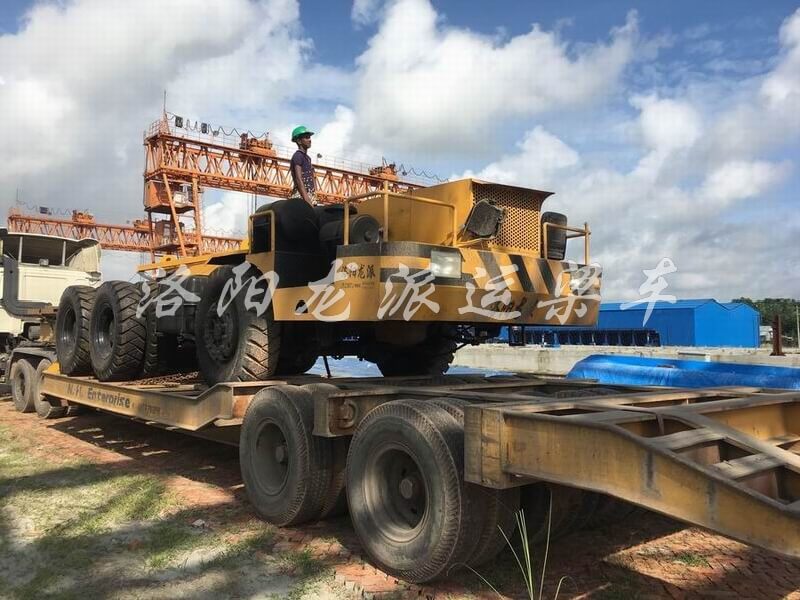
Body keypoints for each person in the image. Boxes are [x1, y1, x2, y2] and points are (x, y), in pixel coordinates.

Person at [290, 125, 317, 206]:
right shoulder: (298, 156)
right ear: (299, 141)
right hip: (300, 197)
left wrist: (313, 196)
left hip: (309, 196)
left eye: (309, 137)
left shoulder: (308, 158)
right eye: (306, 137)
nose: (310, 140)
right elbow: (299, 179)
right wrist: (307, 200)